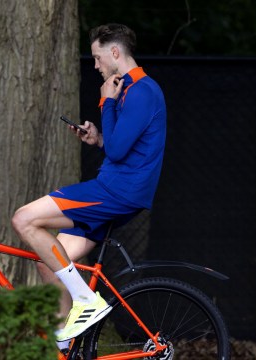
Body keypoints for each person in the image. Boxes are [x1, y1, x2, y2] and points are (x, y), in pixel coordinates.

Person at [11, 23, 167, 350]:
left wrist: (105, 102)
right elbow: (118, 145)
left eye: (97, 58)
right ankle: (63, 347)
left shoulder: (142, 90)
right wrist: (97, 138)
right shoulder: (129, 90)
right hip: (115, 188)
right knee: (48, 259)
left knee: (24, 219)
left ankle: (85, 298)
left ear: (115, 52)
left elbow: (120, 150)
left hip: (116, 192)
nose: (95, 65)